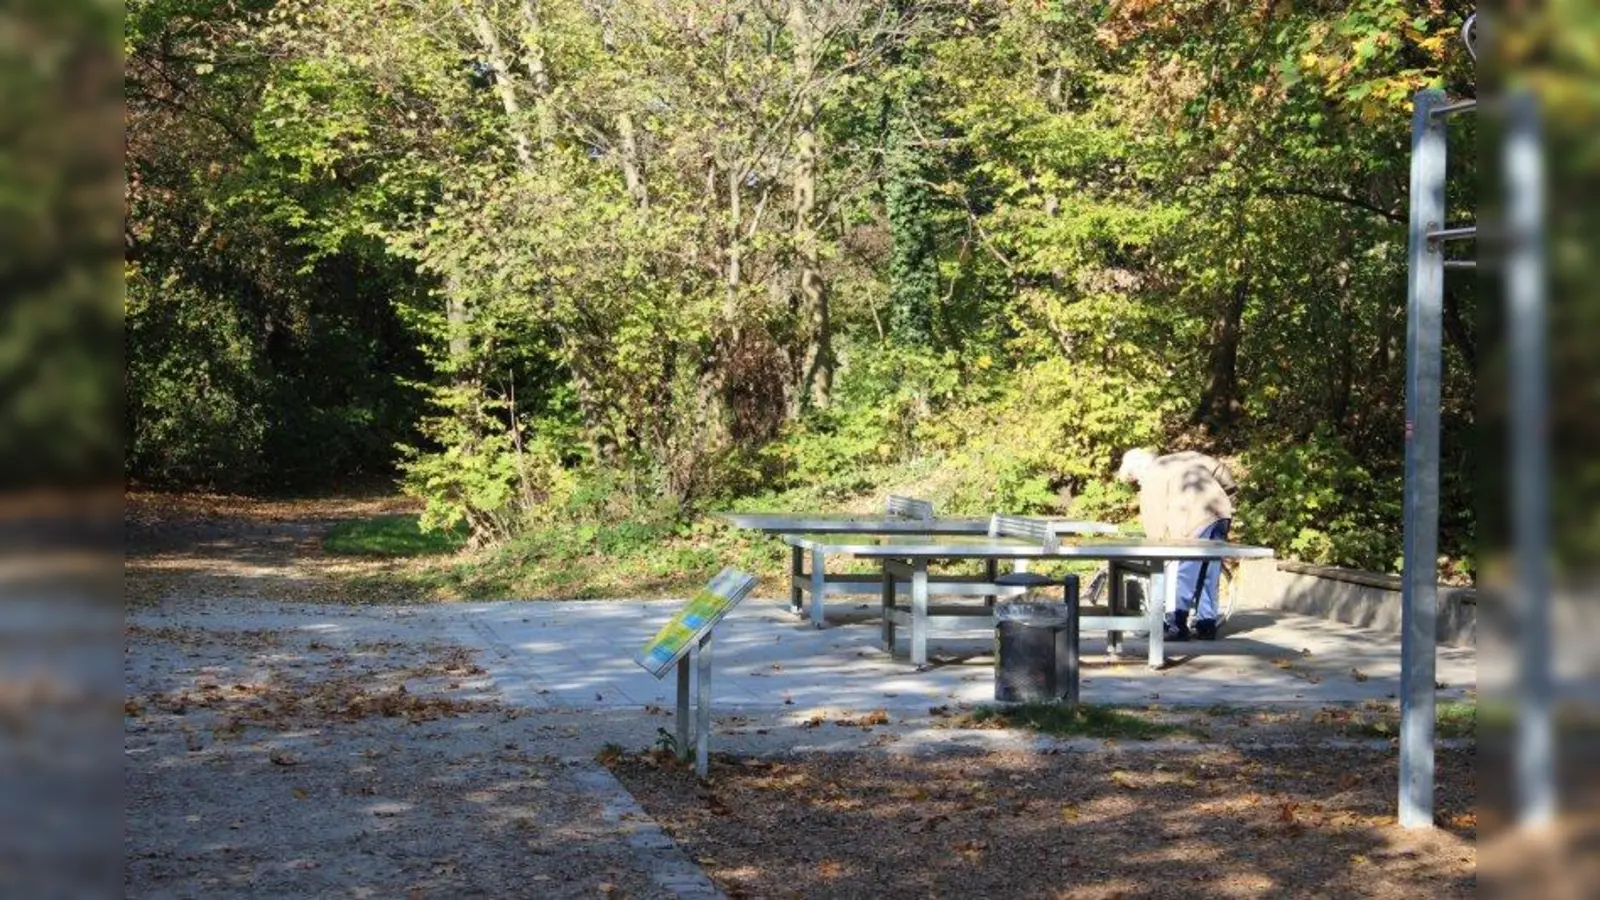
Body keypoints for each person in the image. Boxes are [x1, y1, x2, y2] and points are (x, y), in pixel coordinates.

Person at [1115, 448, 1237, 641]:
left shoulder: (1154, 474)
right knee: (1209, 570)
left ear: (1139, 466)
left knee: (1180, 572)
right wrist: (1229, 493)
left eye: (1134, 476)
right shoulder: (1184, 457)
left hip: (1191, 522)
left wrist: (1158, 547)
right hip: (1219, 513)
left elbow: (1154, 517)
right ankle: (1207, 625)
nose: (1137, 481)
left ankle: (1176, 625)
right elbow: (1221, 471)